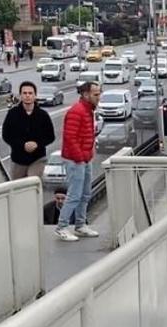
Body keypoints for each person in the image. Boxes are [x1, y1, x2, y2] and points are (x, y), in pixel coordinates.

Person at [56, 81, 102, 241]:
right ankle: (62, 227)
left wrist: (88, 154)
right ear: (85, 94)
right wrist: (80, 157)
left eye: (99, 93)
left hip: (84, 158)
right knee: (75, 194)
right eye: (96, 94)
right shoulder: (77, 111)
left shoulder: (88, 110)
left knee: (85, 193)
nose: (99, 97)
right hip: (76, 160)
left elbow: (86, 135)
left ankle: (80, 225)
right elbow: (70, 137)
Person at [2, 81, 56, 179]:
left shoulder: (43, 115)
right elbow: (6, 135)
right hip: (18, 159)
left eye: (30, 93)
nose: (27, 96)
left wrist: (37, 144)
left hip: (38, 158)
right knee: (18, 188)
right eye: (25, 93)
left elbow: (50, 137)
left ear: (35, 96)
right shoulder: (12, 114)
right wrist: (22, 145)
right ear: (20, 96)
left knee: (32, 183)